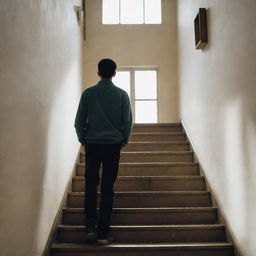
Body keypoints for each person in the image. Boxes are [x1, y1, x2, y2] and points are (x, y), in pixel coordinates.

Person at [74, 58, 133, 245]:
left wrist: (83, 138)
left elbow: (79, 121)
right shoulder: (122, 95)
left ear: (98, 72)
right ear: (114, 73)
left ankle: (89, 229)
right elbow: (127, 122)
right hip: (113, 145)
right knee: (108, 187)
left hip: (92, 144)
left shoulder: (88, 94)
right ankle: (102, 234)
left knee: (90, 185)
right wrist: (123, 140)